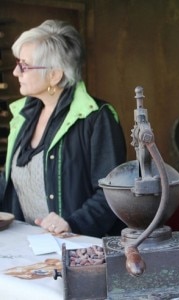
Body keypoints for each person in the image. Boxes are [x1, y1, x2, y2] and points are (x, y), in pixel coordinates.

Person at [0, 20, 127, 238]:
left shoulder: (96, 117)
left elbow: (114, 191)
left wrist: (72, 224)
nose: (15, 72)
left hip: (81, 249)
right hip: (28, 247)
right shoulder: (23, 116)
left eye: (24, 65)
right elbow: (10, 182)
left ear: (54, 75)